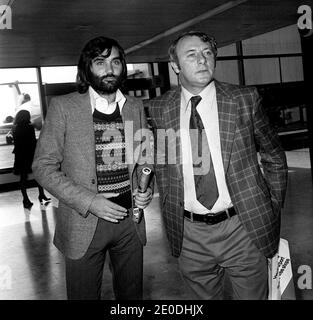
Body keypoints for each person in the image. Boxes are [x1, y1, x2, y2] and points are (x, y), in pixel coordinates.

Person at [148, 31, 288, 300]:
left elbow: (274, 155)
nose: (202, 60)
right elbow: (163, 165)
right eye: (192, 55)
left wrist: (271, 207)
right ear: (175, 65)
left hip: (243, 227)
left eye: (207, 53)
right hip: (189, 234)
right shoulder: (158, 108)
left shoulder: (244, 99)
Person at [32, 36, 154, 300]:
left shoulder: (134, 106)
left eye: (116, 62)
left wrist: (145, 189)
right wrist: (89, 201)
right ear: (87, 69)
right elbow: (43, 167)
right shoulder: (63, 107)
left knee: (132, 298)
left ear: (123, 68)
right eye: (100, 62)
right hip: (83, 222)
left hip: (129, 223)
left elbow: (144, 156)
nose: (109, 69)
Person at [12, 110, 50, 209]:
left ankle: (25, 199)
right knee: (37, 175)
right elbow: (32, 142)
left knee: (23, 178)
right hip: (30, 154)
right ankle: (41, 195)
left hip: (20, 155)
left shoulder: (14, 127)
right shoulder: (29, 127)